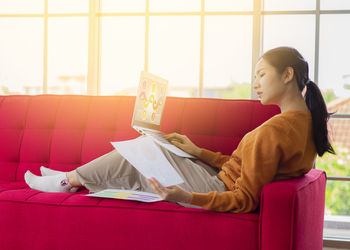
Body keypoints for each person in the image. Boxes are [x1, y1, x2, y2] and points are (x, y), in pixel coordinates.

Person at [24, 47, 335, 213]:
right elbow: (246, 168)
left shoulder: (277, 130)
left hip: (218, 189)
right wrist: (196, 152)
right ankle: (73, 178)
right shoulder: (304, 122)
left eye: (261, 74)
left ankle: (68, 180)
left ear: (287, 74)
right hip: (218, 178)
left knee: (143, 148)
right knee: (152, 144)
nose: (255, 83)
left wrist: (187, 196)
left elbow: (244, 199)